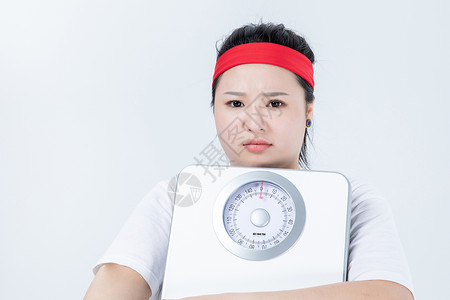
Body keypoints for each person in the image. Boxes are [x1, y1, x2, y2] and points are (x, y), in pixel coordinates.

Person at [84, 22, 415, 300]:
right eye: (234, 103)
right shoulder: (181, 194)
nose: (253, 122)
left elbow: (389, 293)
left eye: (274, 104)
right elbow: (113, 286)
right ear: (214, 108)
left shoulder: (353, 200)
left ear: (308, 110)